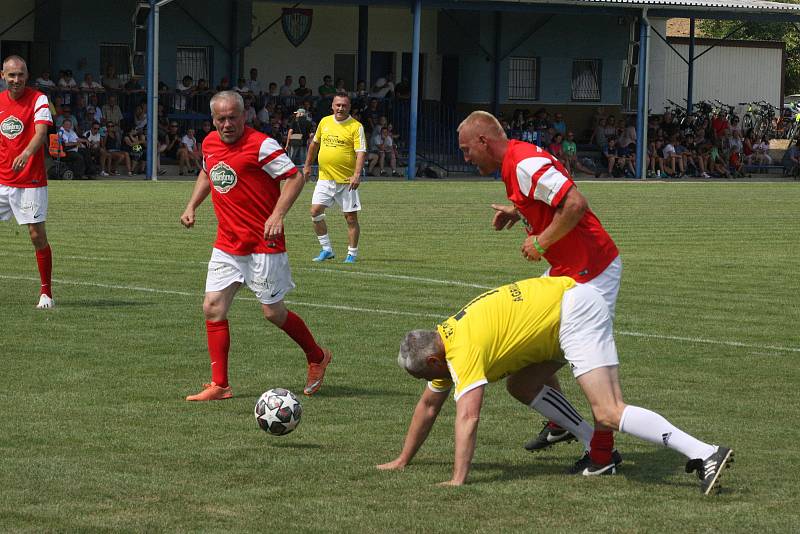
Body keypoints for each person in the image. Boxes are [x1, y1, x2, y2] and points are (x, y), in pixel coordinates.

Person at [378, 277, 734, 494]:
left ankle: (704, 452)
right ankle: (594, 446)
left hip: (573, 313)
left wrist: (458, 479)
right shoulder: (442, 343)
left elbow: (467, 417)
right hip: (557, 318)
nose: (429, 384)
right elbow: (428, 406)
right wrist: (402, 460)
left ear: (432, 362)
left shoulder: (462, 351)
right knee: (521, 384)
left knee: (609, 411)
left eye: (425, 377)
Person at [456, 111, 622, 461]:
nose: (465, 157)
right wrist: (519, 212)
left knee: (591, 376)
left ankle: (604, 454)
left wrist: (541, 241)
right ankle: (561, 423)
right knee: (528, 358)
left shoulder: (522, 162)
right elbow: (547, 193)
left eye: (467, 149)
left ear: (484, 141)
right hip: (569, 269)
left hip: (592, 272)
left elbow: (575, 203)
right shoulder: (516, 160)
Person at [180, 90, 332, 401]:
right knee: (212, 307)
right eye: (220, 119)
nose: (227, 124)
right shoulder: (209, 143)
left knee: (272, 312)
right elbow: (208, 172)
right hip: (227, 244)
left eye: (232, 118)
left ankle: (317, 356)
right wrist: (192, 205)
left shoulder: (262, 145)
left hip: (264, 244)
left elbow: (295, 178)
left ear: (244, 116)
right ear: (213, 120)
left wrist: (277, 214)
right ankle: (219, 385)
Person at [0, 55, 55, 309]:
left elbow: (41, 133)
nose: (16, 80)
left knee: (36, 235)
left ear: (27, 75)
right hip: (2, 179)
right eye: (11, 75)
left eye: (20, 74)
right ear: (3, 76)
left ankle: (46, 293)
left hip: (31, 180)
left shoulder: (38, 99)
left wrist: (26, 154)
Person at [303, 92, 366, 264]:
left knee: (351, 218)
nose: (340, 108)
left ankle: (352, 254)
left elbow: (361, 152)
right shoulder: (324, 122)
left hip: (347, 181)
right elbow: (314, 145)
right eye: (338, 105)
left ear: (349, 107)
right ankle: (326, 250)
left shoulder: (356, 126)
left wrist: (357, 174)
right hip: (325, 178)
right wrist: (307, 166)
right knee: (315, 212)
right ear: (332, 106)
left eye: (344, 105)